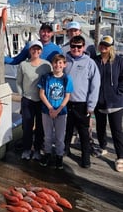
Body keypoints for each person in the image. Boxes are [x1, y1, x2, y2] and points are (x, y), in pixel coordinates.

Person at [64, 35, 100, 168]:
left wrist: (91, 106)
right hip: (66, 103)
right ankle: (65, 150)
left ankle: (85, 159)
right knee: (67, 130)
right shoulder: (65, 61)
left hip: (82, 104)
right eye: (73, 46)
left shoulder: (90, 63)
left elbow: (95, 86)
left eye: (79, 46)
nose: (75, 49)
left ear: (83, 47)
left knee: (84, 133)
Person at [17, 40, 52, 160]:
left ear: (41, 51)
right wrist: (23, 95)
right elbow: (18, 82)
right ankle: (26, 149)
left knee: (41, 127)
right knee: (27, 126)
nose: (35, 51)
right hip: (27, 100)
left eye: (38, 49)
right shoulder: (23, 65)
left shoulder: (47, 65)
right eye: (33, 49)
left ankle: (37, 149)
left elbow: (51, 81)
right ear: (29, 50)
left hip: (42, 100)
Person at [38, 54, 73, 169]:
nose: (57, 65)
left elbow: (67, 96)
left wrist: (58, 110)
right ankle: (47, 154)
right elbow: (42, 94)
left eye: (60, 63)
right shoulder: (46, 77)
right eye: (55, 63)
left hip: (61, 112)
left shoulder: (67, 78)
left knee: (59, 137)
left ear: (64, 65)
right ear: (52, 64)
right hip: (46, 110)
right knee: (47, 136)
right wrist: (50, 108)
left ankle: (59, 156)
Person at [93, 35, 123, 172]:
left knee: (116, 131)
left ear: (111, 47)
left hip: (116, 102)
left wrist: (119, 92)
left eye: (106, 44)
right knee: (100, 127)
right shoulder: (95, 61)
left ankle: (120, 157)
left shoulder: (118, 61)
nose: (104, 46)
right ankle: (103, 147)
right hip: (99, 101)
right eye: (102, 44)